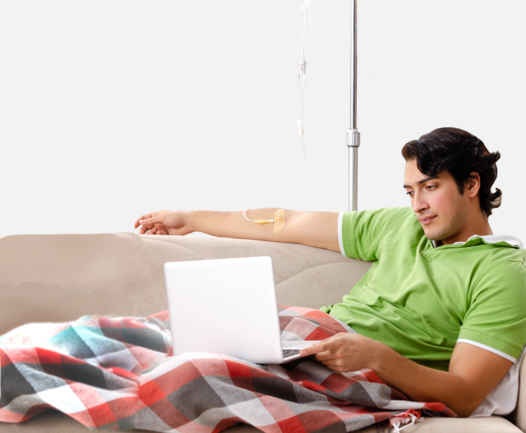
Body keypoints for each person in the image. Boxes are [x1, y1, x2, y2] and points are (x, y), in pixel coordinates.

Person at [134, 127, 526, 418]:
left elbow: (464, 394)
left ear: (471, 184)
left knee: (189, 375)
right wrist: (192, 219)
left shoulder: (503, 272)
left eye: (430, 187)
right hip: (312, 334)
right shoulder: (400, 226)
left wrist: (381, 358)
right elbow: (288, 222)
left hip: (358, 370)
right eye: (410, 191)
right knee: (145, 336)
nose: (417, 205)